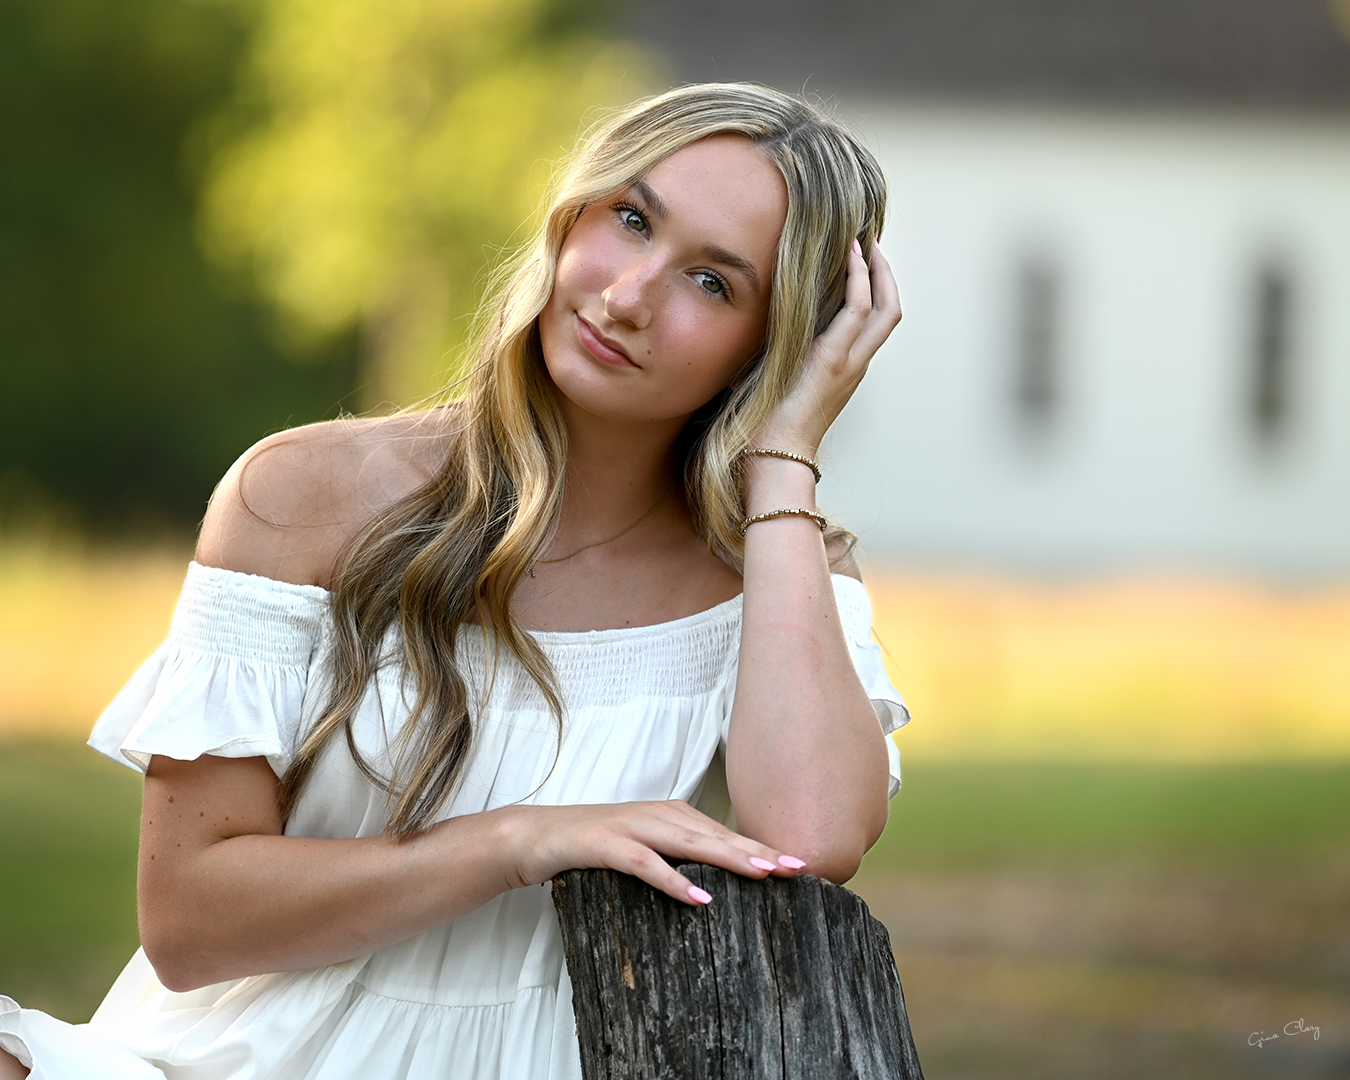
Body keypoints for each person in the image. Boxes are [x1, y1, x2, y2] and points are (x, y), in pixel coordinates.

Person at [0, 81, 907, 1080]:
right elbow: (188, 921)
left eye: (715, 284)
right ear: (574, 213)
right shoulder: (303, 497)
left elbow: (812, 835)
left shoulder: (782, 573)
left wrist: (784, 452)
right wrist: (517, 841)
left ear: (774, 345)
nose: (627, 296)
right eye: (632, 219)